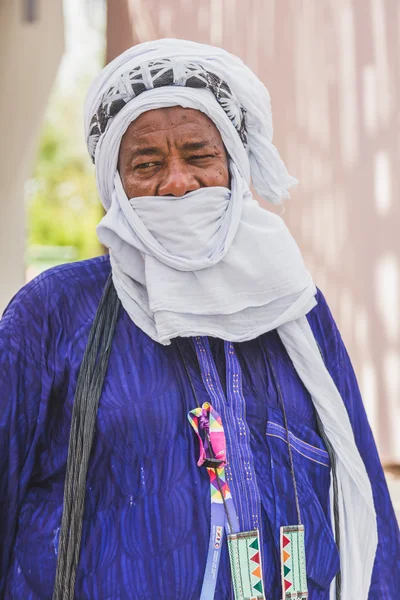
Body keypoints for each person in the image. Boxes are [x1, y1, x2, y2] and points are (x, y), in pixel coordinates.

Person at [0, 39, 399, 600]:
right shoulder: (54, 312)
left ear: (233, 167)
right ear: (115, 184)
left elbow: (363, 496)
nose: (177, 183)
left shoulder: (292, 308)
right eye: (147, 163)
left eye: (198, 155)